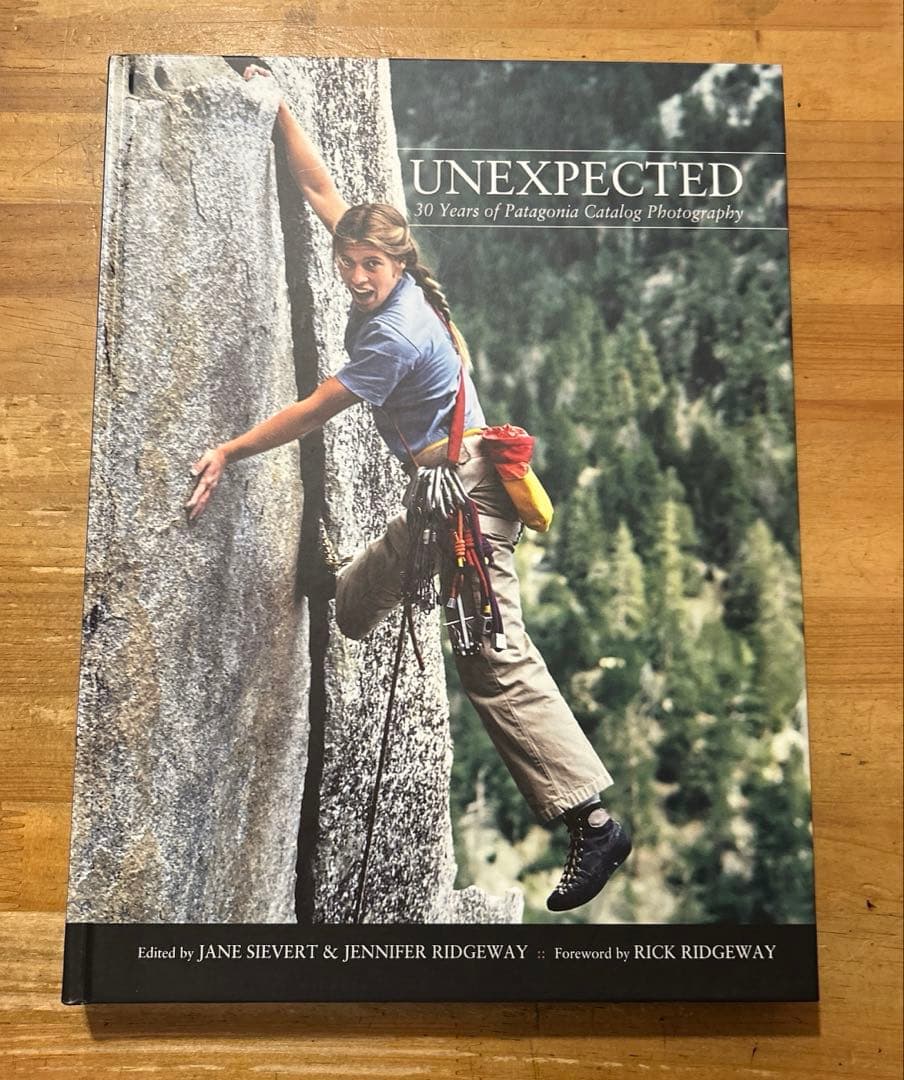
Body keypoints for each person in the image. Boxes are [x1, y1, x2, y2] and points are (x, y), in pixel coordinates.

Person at [186, 65, 631, 913]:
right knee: (354, 607)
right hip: (442, 494)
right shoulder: (388, 269)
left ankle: (593, 821)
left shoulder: (394, 335)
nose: (356, 276)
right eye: (348, 262)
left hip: (465, 500)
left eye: (369, 266)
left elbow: (313, 410)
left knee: (492, 657)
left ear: (396, 263)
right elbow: (320, 189)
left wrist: (227, 451)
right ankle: (339, 580)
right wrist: (275, 103)